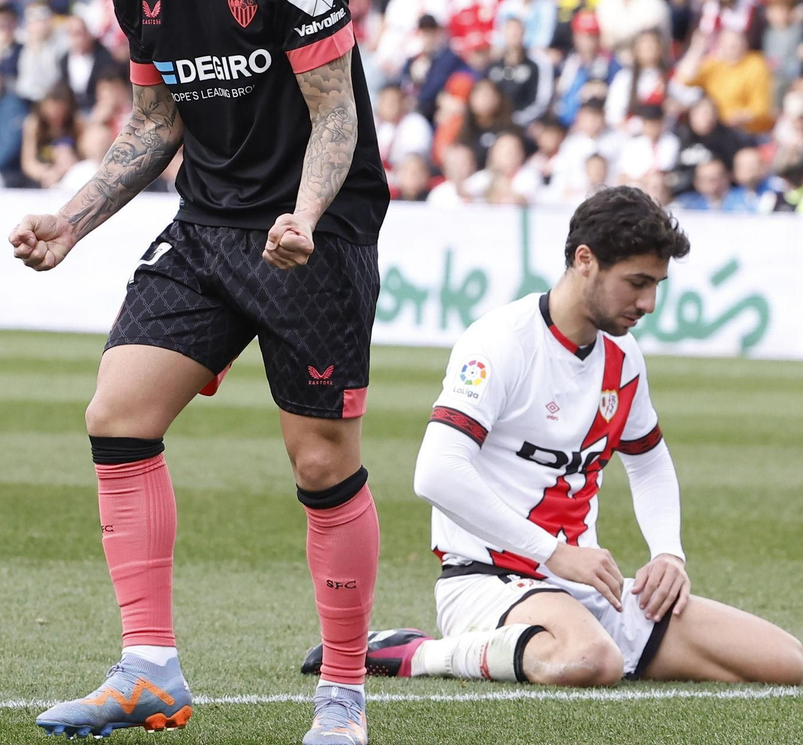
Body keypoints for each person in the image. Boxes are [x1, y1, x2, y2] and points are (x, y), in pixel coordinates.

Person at [8, 0, 390, 745]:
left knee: (320, 461)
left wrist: (303, 216)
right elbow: (154, 122)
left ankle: (343, 689)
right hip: (209, 226)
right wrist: (73, 220)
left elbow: (334, 114)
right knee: (118, 412)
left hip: (316, 231)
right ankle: (148, 670)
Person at [301, 188, 803, 688]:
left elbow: (649, 462)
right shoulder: (500, 341)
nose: (648, 303)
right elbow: (436, 472)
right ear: (585, 260)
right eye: (637, 282)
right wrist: (554, 553)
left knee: (789, 664)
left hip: (584, 588)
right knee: (590, 662)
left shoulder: (623, 360)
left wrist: (668, 552)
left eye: (657, 285)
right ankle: (416, 653)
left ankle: (583, 635)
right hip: (485, 582)